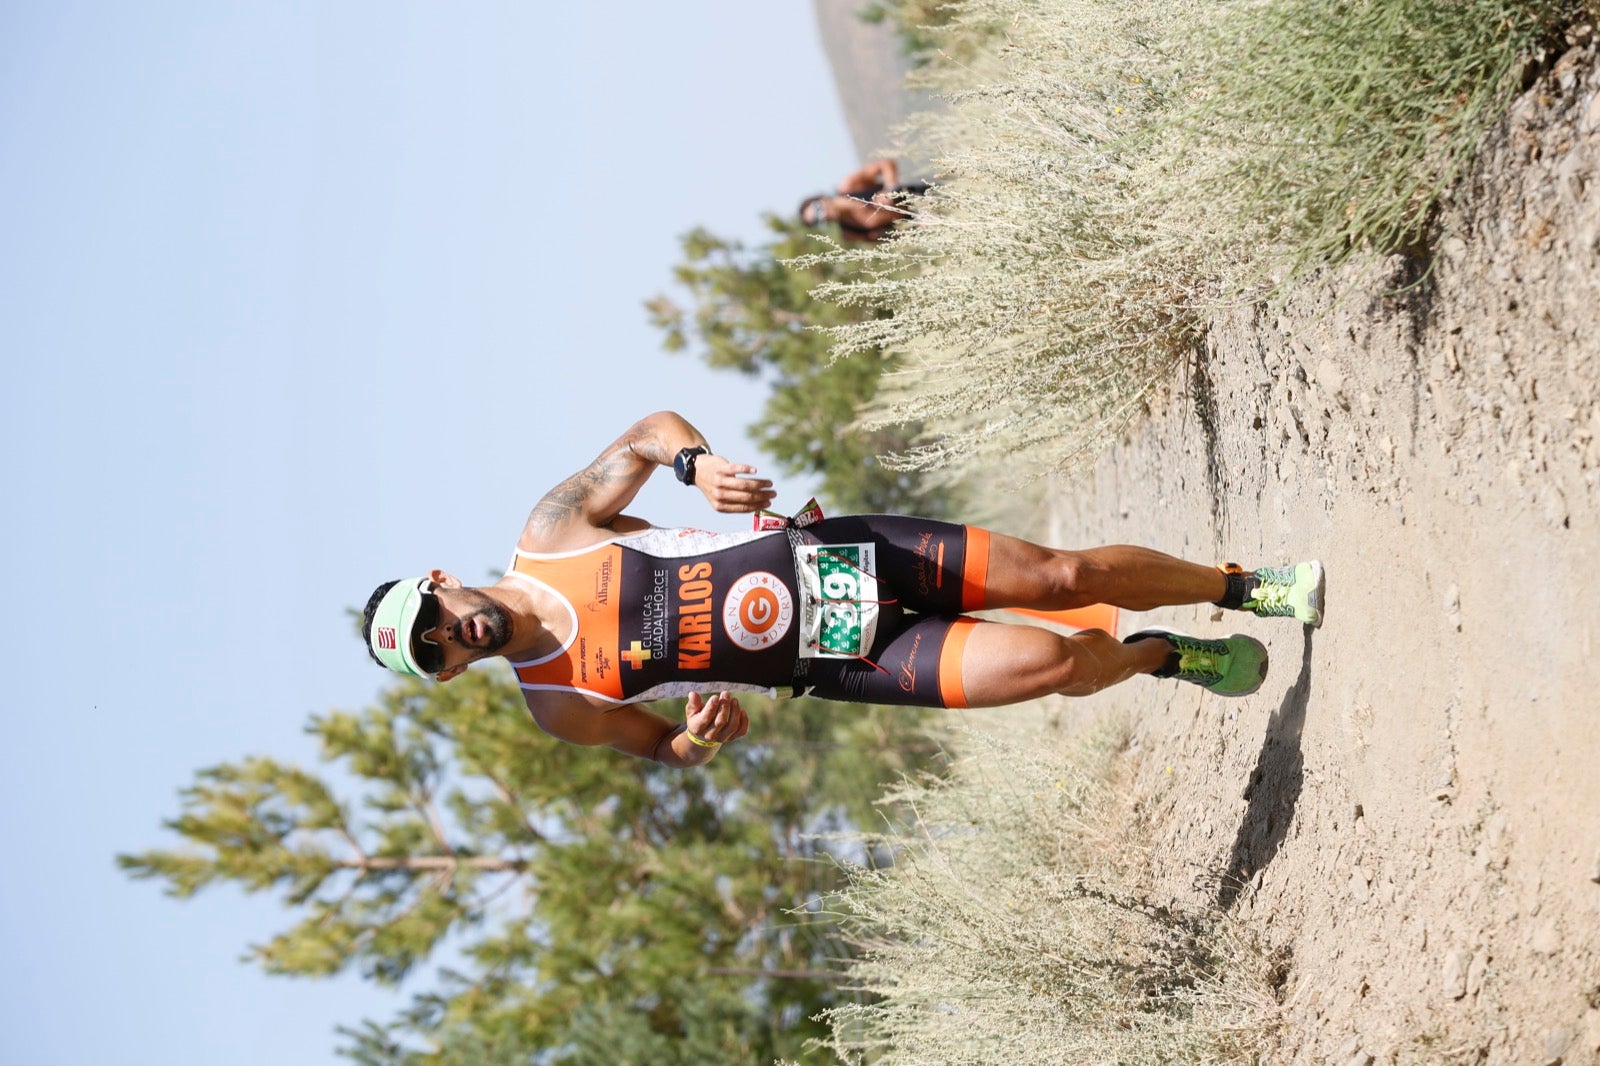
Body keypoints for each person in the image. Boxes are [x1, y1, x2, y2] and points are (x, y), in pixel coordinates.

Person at [361, 412, 1324, 769]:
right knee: (1055, 665)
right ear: (446, 676)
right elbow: (663, 751)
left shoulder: (550, 532)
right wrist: (703, 738)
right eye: (432, 652)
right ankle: (1159, 657)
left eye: (430, 617)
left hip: (840, 555)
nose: (449, 635)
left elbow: (648, 434)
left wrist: (695, 466)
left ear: (440, 582)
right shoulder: (557, 704)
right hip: (840, 659)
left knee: (1062, 577)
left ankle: (1241, 586)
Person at [798, 158, 932, 242]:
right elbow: (889, 239)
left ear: (822, 199)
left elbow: (887, 163)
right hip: (926, 223)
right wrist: (917, 231)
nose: (822, 216)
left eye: (818, 209)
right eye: (817, 220)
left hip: (925, 196)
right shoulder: (850, 233)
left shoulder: (849, 186)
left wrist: (889, 189)